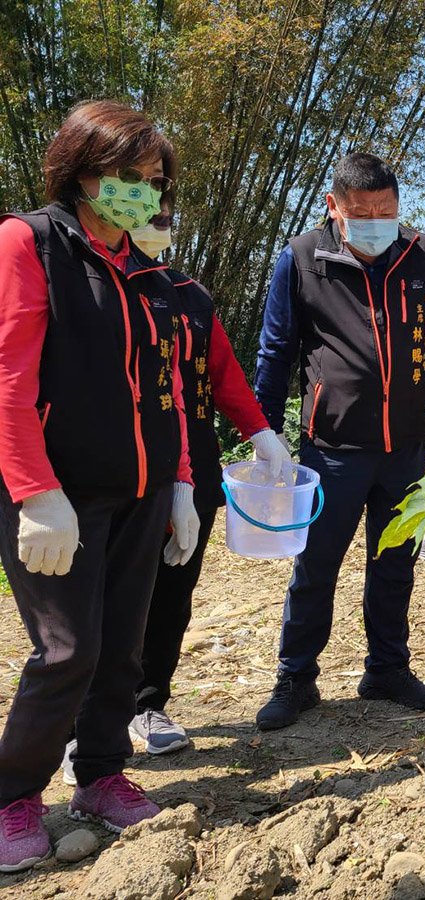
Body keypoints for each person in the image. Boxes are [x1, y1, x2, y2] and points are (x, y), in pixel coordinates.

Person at [0, 100, 200, 868]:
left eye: (154, 181)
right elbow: (10, 381)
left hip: (143, 488)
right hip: (61, 495)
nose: (145, 194)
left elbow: (169, 388)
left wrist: (180, 482)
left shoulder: (148, 270)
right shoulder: (31, 242)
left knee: (123, 645)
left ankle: (102, 775)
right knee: (67, 650)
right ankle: (16, 793)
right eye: (129, 177)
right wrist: (33, 491)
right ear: (80, 171)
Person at [253, 151, 425, 730]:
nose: (377, 220)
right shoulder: (302, 259)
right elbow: (276, 350)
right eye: (363, 211)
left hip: (407, 447)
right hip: (333, 447)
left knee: (395, 561)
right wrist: (264, 432)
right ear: (334, 207)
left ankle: (387, 669)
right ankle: (296, 677)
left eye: (387, 210)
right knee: (316, 564)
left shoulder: (423, 255)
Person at [126, 207, 290, 754]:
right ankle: (88, 724)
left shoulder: (190, 296)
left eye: (164, 213)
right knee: (112, 594)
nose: (155, 223)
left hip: (193, 461)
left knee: (173, 590)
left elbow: (223, 375)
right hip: (122, 462)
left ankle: (148, 703)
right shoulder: (96, 287)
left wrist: (261, 433)